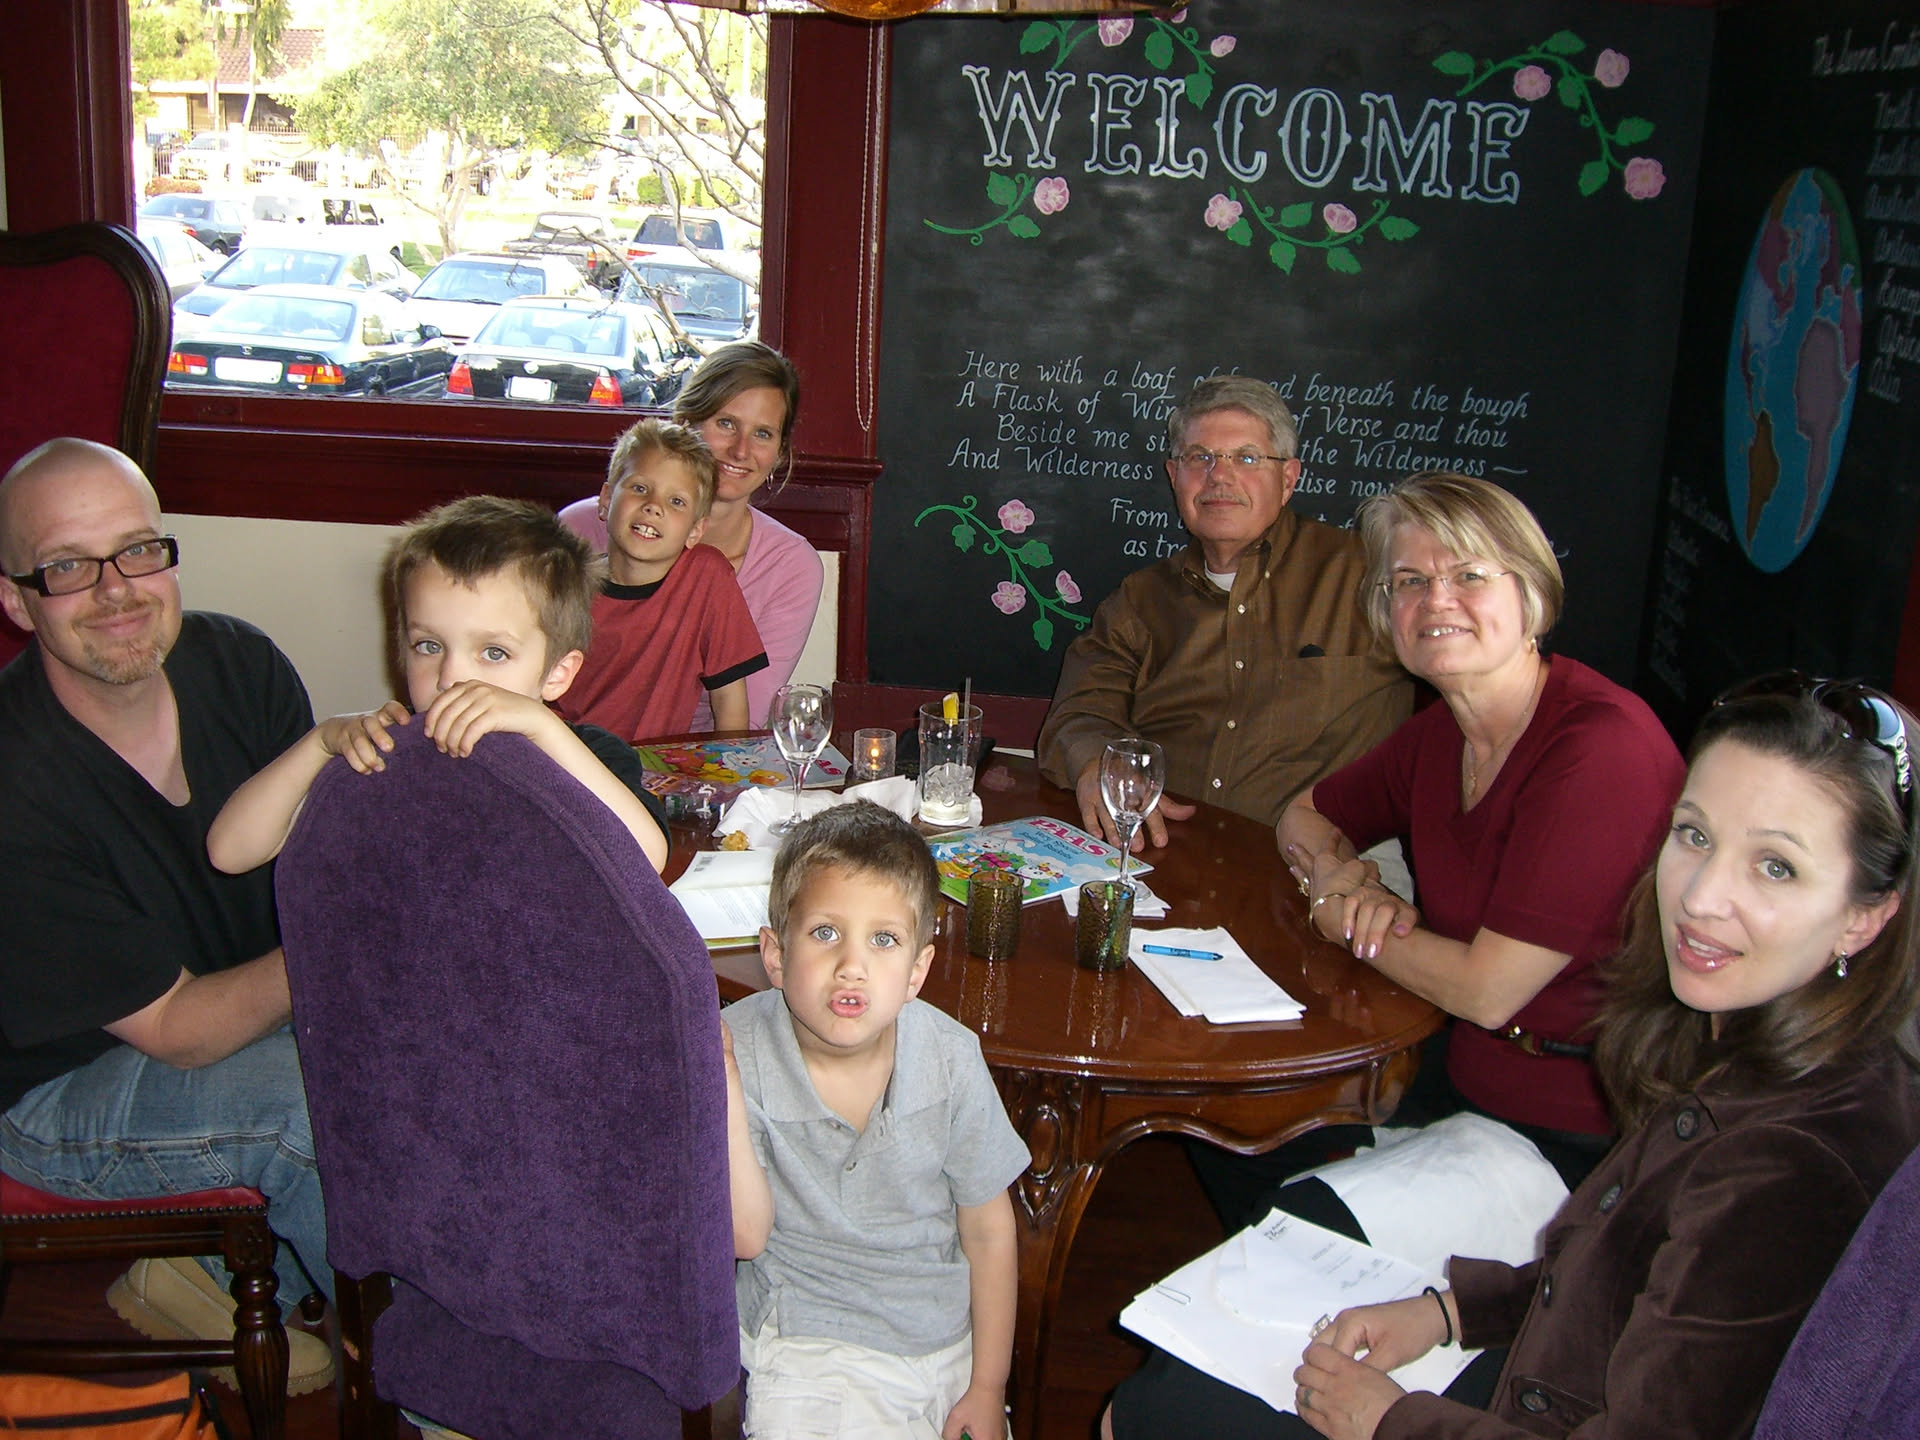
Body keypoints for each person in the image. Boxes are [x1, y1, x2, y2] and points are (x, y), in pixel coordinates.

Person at [1108, 674, 1920, 1440]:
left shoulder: (1795, 1165)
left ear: (1866, 916)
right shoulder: (1727, 1039)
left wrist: (1392, 1422)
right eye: (1695, 834)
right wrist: (1451, 1311)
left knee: (1151, 1416)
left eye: (1776, 867)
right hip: (1548, 1363)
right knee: (1166, 1393)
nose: (1702, 897)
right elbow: (1627, 1268)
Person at [0, 438, 334, 1393]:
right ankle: (439, 1383)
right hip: (54, 1091)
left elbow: (320, 869)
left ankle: (209, 1274)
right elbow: (182, 1030)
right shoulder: (14, 778)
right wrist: (357, 947)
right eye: (68, 567)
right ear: (17, 600)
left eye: (138, 550)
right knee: (313, 1106)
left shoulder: (242, 664)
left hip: (226, 1017)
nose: (118, 590)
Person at [1268, 472, 1684, 1196]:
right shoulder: (1440, 734)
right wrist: (1339, 877)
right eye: (1409, 581)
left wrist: (1343, 920)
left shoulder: (1598, 748)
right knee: (1246, 1138)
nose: (1436, 600)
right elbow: (1301, 815)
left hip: (1577, 1132)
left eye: (1468, 575)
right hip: (1457, 1071)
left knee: (1298, 1207)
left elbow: (1489, 991)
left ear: (1531, 594)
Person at [722, 801, 1031, 1440]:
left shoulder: (950, 1058)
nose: (852, 966)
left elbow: (989, 1231)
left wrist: (988, 1385)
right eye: (825, 933)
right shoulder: (737, 1051)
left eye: (883, 939)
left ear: (917, 971)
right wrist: (719, 1082)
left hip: (943, 1337)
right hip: (809, 1341)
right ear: (775, 954)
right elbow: (743, 1235)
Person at [1036, 374, 1409, 849]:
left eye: (1247, 458)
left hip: (1328, 862)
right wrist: (1095, 766)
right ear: (1174, 476)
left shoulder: (1371, 575)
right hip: (1169, 852)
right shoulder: (1140, 600)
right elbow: (1079, 712)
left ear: (1288, 479)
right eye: (1200, 457)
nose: (1220, 476)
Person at [207, 495, 670, 876]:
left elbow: (645, 861)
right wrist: (321, 744)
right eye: (429, 646)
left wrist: (544, 729)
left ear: (558, 674)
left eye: (493, 653)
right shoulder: (384, 754)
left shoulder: (586, 757)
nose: (450, 677)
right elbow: (230, 852)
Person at [561, 341, 820, 731]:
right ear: (685, 423)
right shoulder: (581, 528)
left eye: (763, 433)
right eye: (726, 423)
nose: (740, 450)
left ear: (780, 454)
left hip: (689, 758)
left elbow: (744, 719)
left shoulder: (790, 567)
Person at [556, 417, 767, 740]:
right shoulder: (565, 586)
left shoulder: (707, 578)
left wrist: (733, 768)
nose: (653, 507)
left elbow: (729, 700)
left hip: (657, 764)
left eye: (676, 501)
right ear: (606, 500)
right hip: (564, 752)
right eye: (640, 489)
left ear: (696, 530)